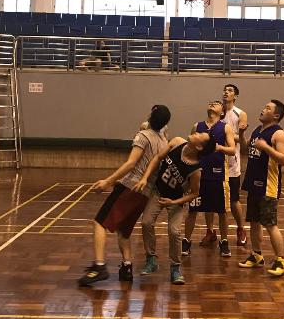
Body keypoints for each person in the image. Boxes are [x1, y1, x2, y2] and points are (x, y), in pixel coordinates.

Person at [78, 105, 170, 287]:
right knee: (124, 231)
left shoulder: (143, 136)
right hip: (145, 194)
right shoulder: (164, 142)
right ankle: (127, 267)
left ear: (151, 117)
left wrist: (108, 181)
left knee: (99, 223)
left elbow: (130, 163)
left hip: (130, 187)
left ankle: (99, 267)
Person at [135, 131, 215, 285]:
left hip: (176, 201)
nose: (195, 132)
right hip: (158, 192)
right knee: (146, 222)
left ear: (199, 147)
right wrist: (145, 178)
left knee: (174, 231)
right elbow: (157, 158)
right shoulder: (177, 141)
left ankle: (175, 268)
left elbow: (195, 193)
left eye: (199, 134)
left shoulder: (196, 170)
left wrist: (173, 202)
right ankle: (151, 259)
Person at [238, 100, 284, 277]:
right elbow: (245, 151)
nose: (263, 109)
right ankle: (257, 255)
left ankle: (280, 260)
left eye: (268, 108)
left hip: (268, 186)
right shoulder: (257, 131)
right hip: (253, 184)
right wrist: (241, 133)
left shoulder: (279, 133)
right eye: (264, 106)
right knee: (254, 221)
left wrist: (266, 147)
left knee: (270, 224)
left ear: (276, 115)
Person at [182, 100, 236, 258]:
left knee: (222, 212)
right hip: (198, 174)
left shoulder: (225, 127)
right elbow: (189, 147)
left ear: (222, 112)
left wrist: (219, 147)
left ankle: (224, 242)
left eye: (217, 103)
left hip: (217, 175)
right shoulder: (197, 126)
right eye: (211, 103)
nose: (212, 104)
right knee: (192, 211)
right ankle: (186, 241)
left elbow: (232, 150)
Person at [222, 83, 249, 247]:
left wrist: (226, 135)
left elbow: (241, 138)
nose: (226, 92)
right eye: (225, 90)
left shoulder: (240, 113)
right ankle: (210, 231)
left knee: (234, 200)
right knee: (213, 200)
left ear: (235, 96)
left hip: (232, 163)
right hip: (216, 159)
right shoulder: (217, 112)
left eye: (230, 90)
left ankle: (241, 228)